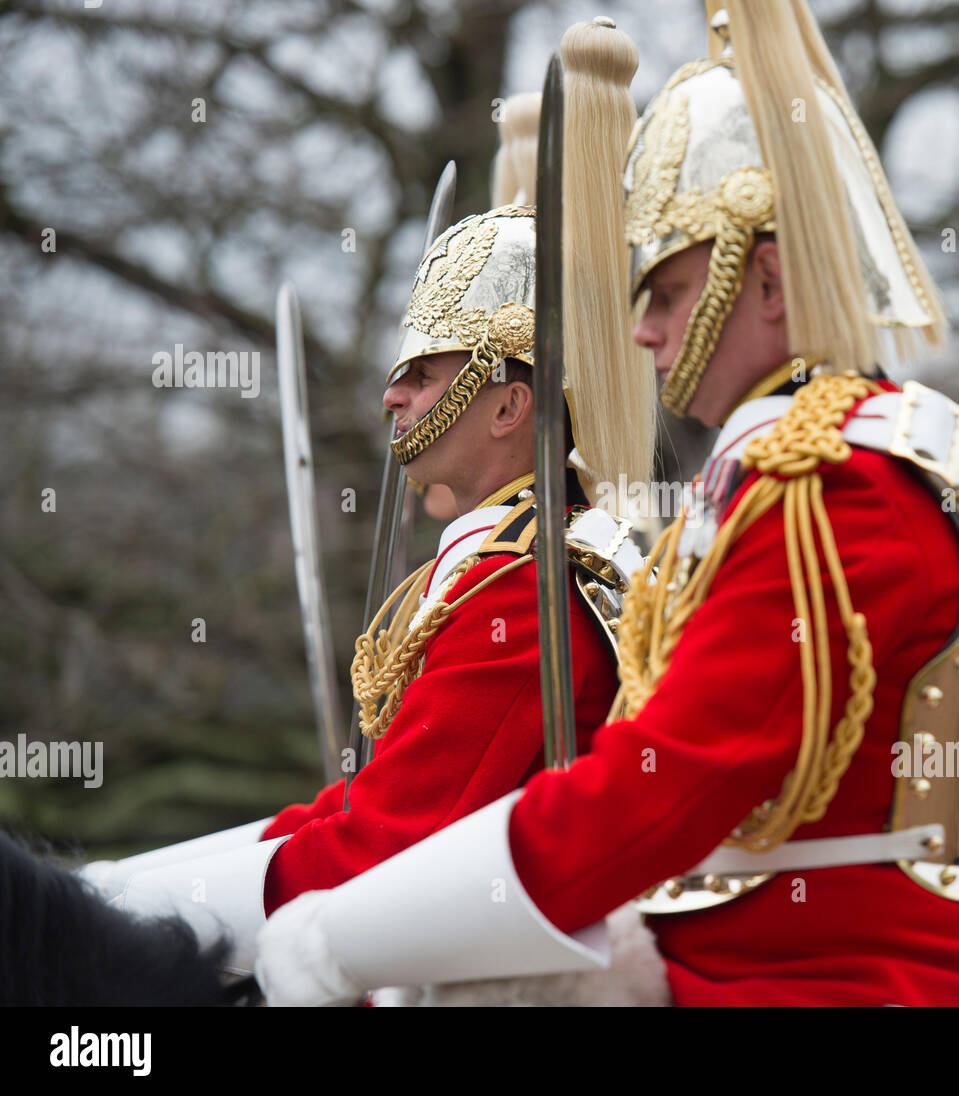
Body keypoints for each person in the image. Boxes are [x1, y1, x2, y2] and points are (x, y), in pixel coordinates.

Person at [256, 0, 959, 1007]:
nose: (641, 333)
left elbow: (667, 783)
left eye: (669, 293)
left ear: (767, 278)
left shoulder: (826, 486)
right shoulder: (840, 460)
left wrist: (349, 938)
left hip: (837, 983)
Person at [79, 22, 656, 980]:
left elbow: (384, 846)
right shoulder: (490, 566)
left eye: (425, 373)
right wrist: (127, 891)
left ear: (512, 403)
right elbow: (346, 810)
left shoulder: (528, 587)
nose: (393, 394)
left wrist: (144, 930)